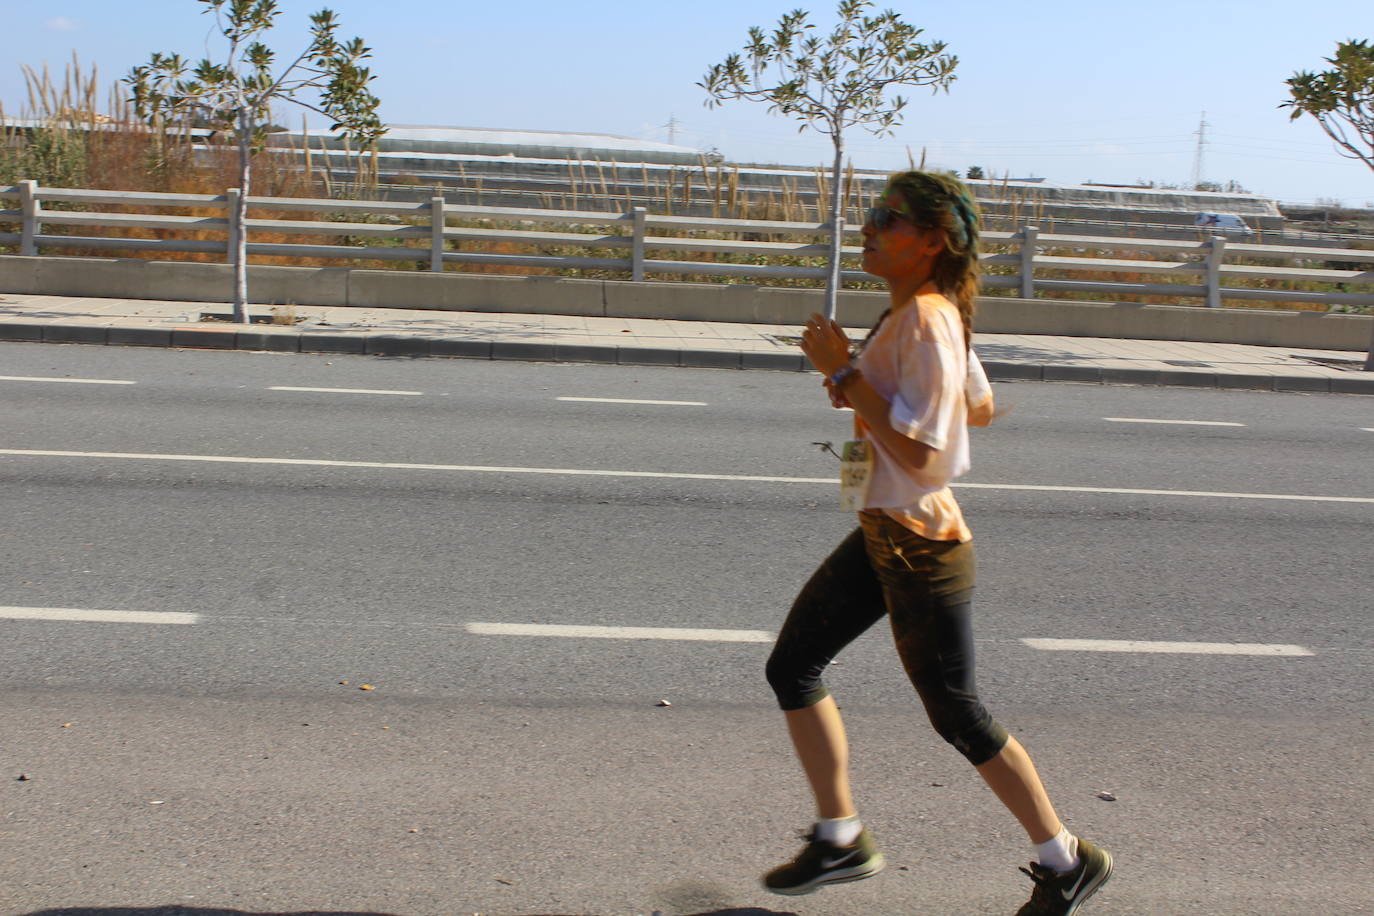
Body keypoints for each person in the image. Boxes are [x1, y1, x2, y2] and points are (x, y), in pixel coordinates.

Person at [761, 171, 1113, 916]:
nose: (868, 228)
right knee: (793, 666)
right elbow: (977, 408)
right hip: (883, 530)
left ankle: (1067, 858)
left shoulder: (925, 318)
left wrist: (847, 375)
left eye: (887, 219)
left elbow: (926, 458)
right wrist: (870, 385)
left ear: (932, 242)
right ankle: (839, 835)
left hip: (921, 544)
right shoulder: (917, 316)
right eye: (872, 214)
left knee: (958, 714)